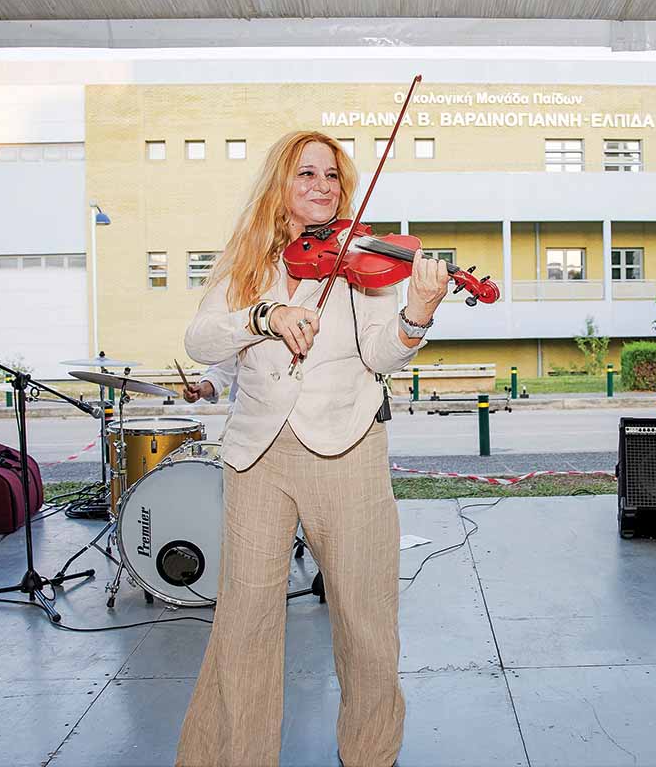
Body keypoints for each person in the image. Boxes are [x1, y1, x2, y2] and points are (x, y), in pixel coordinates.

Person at [176, 131, 450, 767]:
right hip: (258, 453)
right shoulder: (249, 260)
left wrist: (417, 313)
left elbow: (380, 354)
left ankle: (370, 753)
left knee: (364, 618)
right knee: (244, 620)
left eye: (331, 175)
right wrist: (263, 316)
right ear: (281, 183)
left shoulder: (362, 256)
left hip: (347, 445)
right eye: (306, 173)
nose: (322, 186)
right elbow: (201, 338)